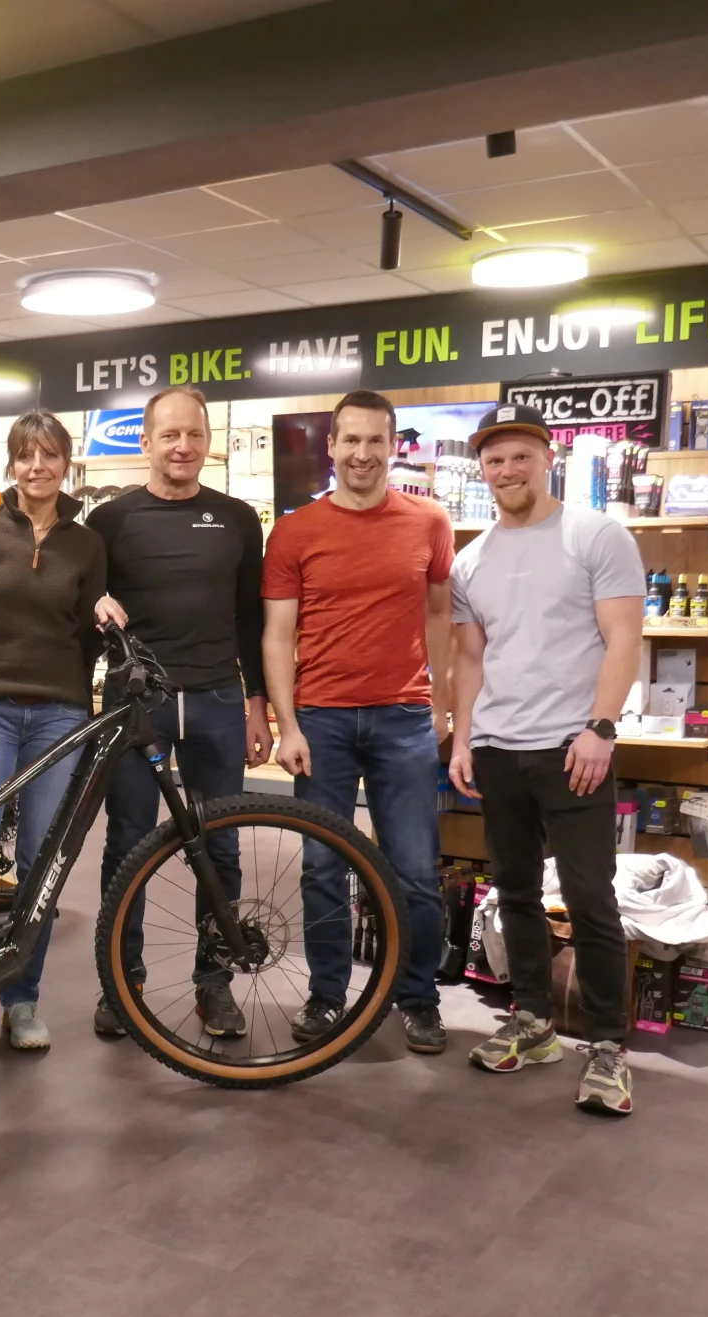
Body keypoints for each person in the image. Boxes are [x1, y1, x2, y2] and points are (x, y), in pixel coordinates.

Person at [445, 402, 645, 1116]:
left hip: (572, 747)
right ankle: (533, 1022)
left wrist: (601, 726)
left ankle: (610, 1050)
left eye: (519, 456)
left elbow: (624, 638)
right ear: (483, 469)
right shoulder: (472, 558)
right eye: (494, 460)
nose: (506, 470)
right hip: (499, 747)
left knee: (592, 897)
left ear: (547, 457)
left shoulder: (596, 535)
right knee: (514, 891)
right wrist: (464, 737)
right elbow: (470, 657)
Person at [262, 389, 456, 1056]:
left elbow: (438, 616)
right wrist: (287, 723)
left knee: (414, 871)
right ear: (332, 445)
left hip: (404, 717)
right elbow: (276, 633)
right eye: (351, 440)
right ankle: (327, 995)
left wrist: (442, 702)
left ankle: (419, 998)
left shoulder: (429, 521)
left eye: (376, 441)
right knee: (322, 865)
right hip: (321, 721)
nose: (363, 454)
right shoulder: (295, 530)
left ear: (393, 444)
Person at [0, 410, 117, 1060]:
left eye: (50, 455)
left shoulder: (86, 543)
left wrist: (106, 613)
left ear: (66, 463)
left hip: (62, 717)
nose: (38, 467)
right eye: (26, 455)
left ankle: (22, 998)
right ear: (11, 463)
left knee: (43, 862)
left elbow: (91, 634)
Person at [87, 385, 267, 1042]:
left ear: (208, 441)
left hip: (220, 698)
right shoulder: (108, 522)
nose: (183, 446)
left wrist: (258, 705)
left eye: (194, 434)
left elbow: (252, 618)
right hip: (138, 705)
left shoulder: (238, 518)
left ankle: (212, 984)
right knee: (128, 842)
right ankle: (121, 982)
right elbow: (87, 607)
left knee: (221, 845)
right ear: (145, 442)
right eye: (169, 435)